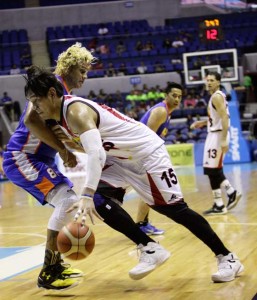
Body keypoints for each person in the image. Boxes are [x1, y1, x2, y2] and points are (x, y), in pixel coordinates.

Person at [25, 65, 244, 284]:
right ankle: (149, 247)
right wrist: (68, 146)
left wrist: (86, 193)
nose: (35, 108)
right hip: (121, 159)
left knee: (176, 211)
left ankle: (228, 258)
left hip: (147, 155)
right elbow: (94, 148)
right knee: (99, 201)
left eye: (36, 101)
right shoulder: (62, 117)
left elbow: (96, 154)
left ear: (52, 94)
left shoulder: (76, 112)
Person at [2, 43, 98, 291]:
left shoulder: (64, 92)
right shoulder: (49, 86)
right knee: (68, 201)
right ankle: (49, 270)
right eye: (82, 71)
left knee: (68, 202)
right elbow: (31, 120)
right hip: (22, 157)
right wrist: (64, 150)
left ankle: (55, 264)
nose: (85, 77)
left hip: (41, 159)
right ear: (69, 68)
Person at [190, 72, 242, 215]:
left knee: (213, 169)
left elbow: (225, 117)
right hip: (214, 133)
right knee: (210, 169)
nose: (209, 83)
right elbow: (217, 117)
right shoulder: (216, 96)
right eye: (207, 80)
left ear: (218, 82)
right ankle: (222, 200)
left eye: (212, 80)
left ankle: (228, 195)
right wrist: (202, 122)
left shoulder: (217, 96)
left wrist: (224, 139)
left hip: (218, 135)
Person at [136, 82, 183, 235]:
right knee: (149, 190)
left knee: (148, 191)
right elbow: (146, 138)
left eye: (179, 97)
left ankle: (142, 224)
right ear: (166, 95)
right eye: (174, 95)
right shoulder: (161, 111)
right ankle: (140, 224)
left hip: (142, 153)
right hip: (140, 153)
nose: (177, 99)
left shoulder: (167, 112)